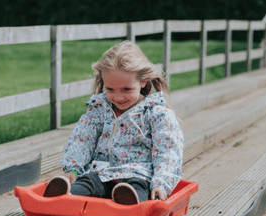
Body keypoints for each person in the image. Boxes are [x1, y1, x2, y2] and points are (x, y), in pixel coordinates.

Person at [44, 41, 184, 205]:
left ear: (143, 81)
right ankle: (64, 195)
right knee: (87, 183)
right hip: (102, 173)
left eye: (126, 89)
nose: (118, 97)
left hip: (138, 174)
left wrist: (161, 184)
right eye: (110, 89)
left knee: (139, 188)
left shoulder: (156, 114)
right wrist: (73, 169)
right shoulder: (99, 109)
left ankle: (129, 202)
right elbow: (82, 139)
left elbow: (168, 152)